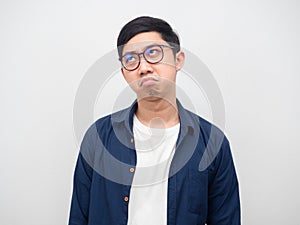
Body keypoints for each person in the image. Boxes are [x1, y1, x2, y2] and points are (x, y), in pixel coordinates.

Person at [68, 16, 241, 225]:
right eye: (131, 59)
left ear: (178, 60)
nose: (144, 67)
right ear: (124, 73)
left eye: (153, 53)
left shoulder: (213, 143)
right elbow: (78, 217)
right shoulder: (98, 137)